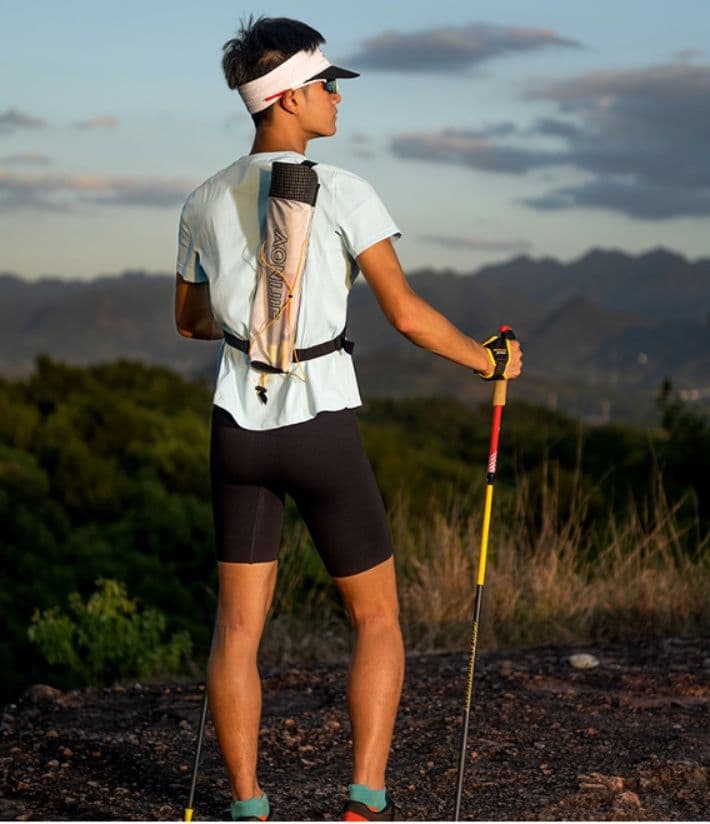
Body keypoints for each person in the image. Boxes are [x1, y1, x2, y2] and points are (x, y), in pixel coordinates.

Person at [174, 15, 522, 822]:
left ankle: (249, 806)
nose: (338, 98)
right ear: (289, 97)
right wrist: (488, 360)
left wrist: (246, 314)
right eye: (328, 84)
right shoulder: (345, 191)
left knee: (236, 632)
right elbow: (404, 315)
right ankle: (362, 802)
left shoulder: (199, 202)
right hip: (321, 427)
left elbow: (188, 323)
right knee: (376, 617)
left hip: (238, 430)